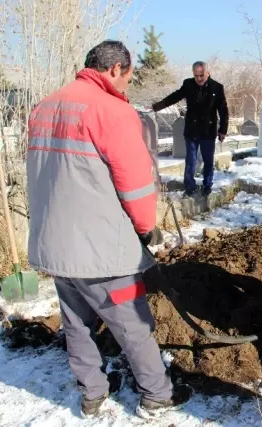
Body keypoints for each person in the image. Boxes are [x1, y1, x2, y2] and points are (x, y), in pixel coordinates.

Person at [26, 40, 191, 420]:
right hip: (103, 251)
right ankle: (156, 395)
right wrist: (147, 229)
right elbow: (135, 184)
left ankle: (92, 396)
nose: (127, 87)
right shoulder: (112, 111)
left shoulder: (45, 106)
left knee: (77, 325)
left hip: (56, 246)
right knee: (133, 325)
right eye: (128, 79)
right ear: (115, 69)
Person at [151, 61, 229, 197]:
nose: (198, 79)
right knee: (190, 160)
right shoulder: (188, 84)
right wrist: (156, 107)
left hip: (208, 130)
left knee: (208, 160)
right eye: (196, 75)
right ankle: (189, 187)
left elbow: (223, 111)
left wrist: (223, 130)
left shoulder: (217, 88)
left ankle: (207, 186)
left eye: (201, 75)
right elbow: (174, 97)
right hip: (192, 129)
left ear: (208, 73)